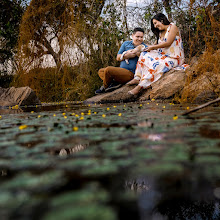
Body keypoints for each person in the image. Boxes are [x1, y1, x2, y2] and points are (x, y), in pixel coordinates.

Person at [127, 13, 185, 96]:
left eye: (155, 23)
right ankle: (137, 77)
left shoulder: (172, 27)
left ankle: (140, 86)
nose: (155, 26)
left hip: (174, 58)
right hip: (163, 56)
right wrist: (139, 49)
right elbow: (153, 46)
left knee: (157, 64)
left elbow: (168, 43)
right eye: (153, 24)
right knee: (144, 53)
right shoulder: (160, 33)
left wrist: (152, 47)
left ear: (161, 20)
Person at [95, 27, 147, 94]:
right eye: (137, 36)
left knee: (108, 70)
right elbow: (118, 57)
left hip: (131, 74)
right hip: (121, 71)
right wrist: (126, 56)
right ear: (132, 36)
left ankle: (105, 87)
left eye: (141, 37)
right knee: (101, 71)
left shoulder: (144, 47)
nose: (139, 39)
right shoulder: (126, 44)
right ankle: (115, 83)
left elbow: (146, 60)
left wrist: (138, 54)